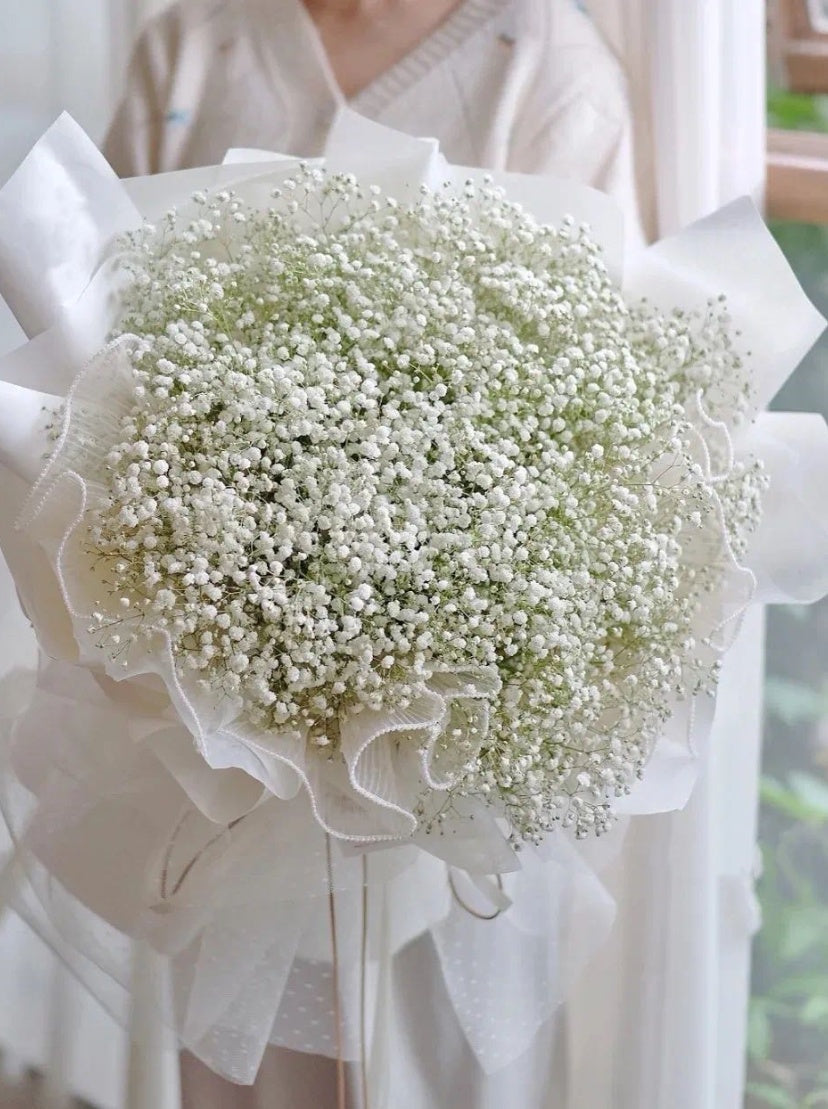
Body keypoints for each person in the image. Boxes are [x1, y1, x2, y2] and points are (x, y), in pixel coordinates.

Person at [103, 3, 644, 1105]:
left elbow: (594, 425)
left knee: (421, 1060)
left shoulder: (547, 67)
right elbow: (94, 335)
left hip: (450, 734)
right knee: (239, 1063)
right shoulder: (195, 43)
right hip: (211, 713)